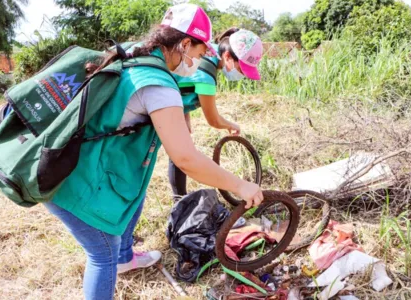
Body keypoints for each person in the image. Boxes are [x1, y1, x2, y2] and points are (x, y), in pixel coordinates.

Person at [43, 4, 263, 300]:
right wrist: (239, 184)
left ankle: (125, 257)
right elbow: (185, 159)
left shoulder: (136, 52)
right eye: (198, 53)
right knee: (101, 254)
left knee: (136, 195)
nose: (198, 61)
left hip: (80, 160)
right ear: (185, 44)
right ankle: (117, 259)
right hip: (73, 179)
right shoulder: (158, 82)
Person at [168, 27, 263, 199]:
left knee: (179, 148)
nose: (242, 75)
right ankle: (179, 200)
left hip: (167, 104)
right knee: (181, 153)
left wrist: (184, 114)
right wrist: (230, 125)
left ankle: (179, 198)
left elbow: (179, 84)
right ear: (227, 56)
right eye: (241, 70)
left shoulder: (208, 52)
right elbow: (213, 120)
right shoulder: (205, 74)